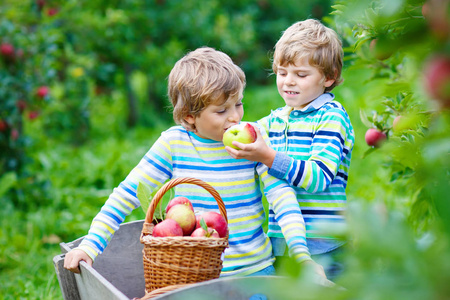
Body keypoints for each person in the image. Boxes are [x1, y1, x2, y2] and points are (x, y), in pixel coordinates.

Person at [64, 47, 324, 278]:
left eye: (239, 104)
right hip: (196, 275)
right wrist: (90, 245)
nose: (235, 117)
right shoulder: (174, 144)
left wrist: (301, 254)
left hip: (254, 271)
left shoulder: (253, 142)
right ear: (190, 116)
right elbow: (128, 194)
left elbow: (281, 196)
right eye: (221, 111)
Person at [225, 19, 355, 279]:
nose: (288, 82)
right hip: (282, 241)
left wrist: (268, 157)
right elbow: (238, 132)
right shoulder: (274, 121)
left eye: (301, 75)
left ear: (328, 78)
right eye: (282, 73)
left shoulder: (331, 118)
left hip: (325, 243)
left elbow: (318, 178)